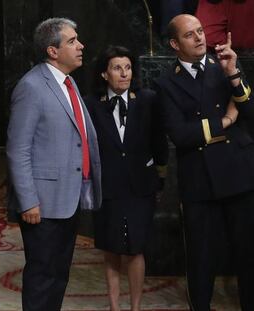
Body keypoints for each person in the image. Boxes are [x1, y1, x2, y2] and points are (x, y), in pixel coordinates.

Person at [155, 14, 254, 311]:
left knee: (248, 254)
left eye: (200, 31)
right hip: (200, 180)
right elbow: (181, 134)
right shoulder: (165, 82)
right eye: (190, 34)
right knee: (201, 257)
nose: (199, 38)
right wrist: (225, 120)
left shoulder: (224, 66)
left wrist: (233, 74)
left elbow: (249, 114)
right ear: (175, 43)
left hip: (239, 173)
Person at [6, 17, 102, 311]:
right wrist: (28, 201)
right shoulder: (32, 87)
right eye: (72, 41)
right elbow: (17, 149)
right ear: (52, 51)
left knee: (59, 276)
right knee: (42, 277)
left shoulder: (68, 82)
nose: (80, 45)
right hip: (42, 205)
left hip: (67, 198)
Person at [84, 45, 169, 311]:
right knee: (111, 248)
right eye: (117, 68)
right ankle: (114, 306)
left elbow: (159, 141)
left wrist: (160, 175)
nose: (124, 73)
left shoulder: (148, 99)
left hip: (140, 185)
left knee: (135, 248)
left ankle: (135, 307)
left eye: (128, 67)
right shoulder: (90, 104)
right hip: (108, 186)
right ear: (104, 74)